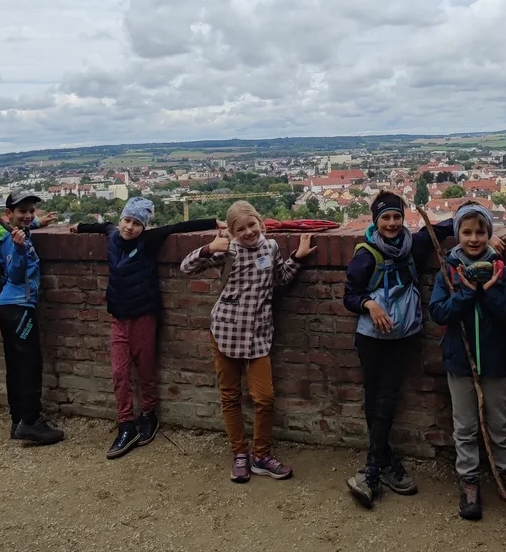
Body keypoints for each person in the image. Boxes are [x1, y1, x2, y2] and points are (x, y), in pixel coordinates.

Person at [178, 200, 315, 483]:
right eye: (240, 229)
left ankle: (261, 455)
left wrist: (298, 257)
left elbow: (280, 279)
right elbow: (185, 267)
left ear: (261, 222)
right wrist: (208, 248)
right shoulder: (227, 250)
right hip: (226, 331)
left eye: (252, 225)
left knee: (264, 398)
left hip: (258, 334)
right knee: (230, 396)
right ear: (231, 231)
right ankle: (240, 453)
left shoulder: (271, 247)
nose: (248, 232)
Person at [75, 197, 217, 459]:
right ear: (121, 220)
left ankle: (149, 415)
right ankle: (126, 424)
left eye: (137, 223)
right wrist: (79, 227)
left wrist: (214, 223)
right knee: (119, 372)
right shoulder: (112, 235)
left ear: (144, 226)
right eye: (127, 220)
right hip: (118, 316)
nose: (130, 227)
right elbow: (101, 226)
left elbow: (179, 227)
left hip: (143, 315)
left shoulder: (148, 241)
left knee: (145, 367)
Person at [427, 202, 506, 521]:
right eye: (467, 231)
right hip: (461, 361)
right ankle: (469, 481)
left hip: (497, 359)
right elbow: (438, 312)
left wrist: (486, 292)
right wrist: (467, 293)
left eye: (480, 231)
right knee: (465, 426)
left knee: (499, 424)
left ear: (489, 234)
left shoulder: (501, 271)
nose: (474, 238)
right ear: (457, 234)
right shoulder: (448, 271)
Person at [339, 190, 440, 507]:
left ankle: (375, 467)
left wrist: (473, 214)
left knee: (386, 396)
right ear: (376, 220)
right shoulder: (365, 256)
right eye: (386, 217)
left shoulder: (414, 247)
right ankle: (380, 466)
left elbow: (445, 229)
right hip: (371, 337)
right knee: (376, 397)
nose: (393, 223)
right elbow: (349, 296)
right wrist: (369, 303)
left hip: (402, 334)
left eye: (397, 216)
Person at [0, 190, 63, 446]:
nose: (27, 216)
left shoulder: (11, 232)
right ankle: (32, 421)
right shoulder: (12, 241)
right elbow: (16, 274)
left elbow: (20, 230)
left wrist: (38, 224)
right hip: (19, 307)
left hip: (9, 306)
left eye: (31, 211)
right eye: (22, 212)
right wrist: (19, 250)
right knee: (29, 364)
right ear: (8, 214)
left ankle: (18, 420)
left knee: (15, 365)